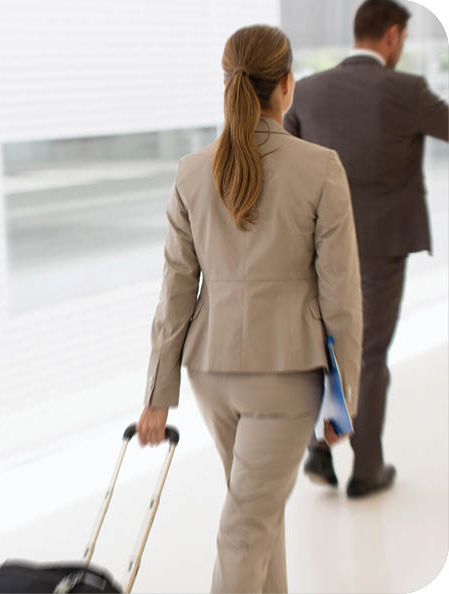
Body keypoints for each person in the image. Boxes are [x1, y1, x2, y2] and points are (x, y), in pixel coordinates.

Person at [136, 25, 362, 593]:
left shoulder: (192, 171)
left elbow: (175, 291)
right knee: (248, 527)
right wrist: (343, 399)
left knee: (256, 515)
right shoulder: (321, 169)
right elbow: (341, 298)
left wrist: (159, 394)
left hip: (211, 373)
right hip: (285, 376)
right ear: (287, 84)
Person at [284, 0, 449, 498]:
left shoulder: (307, 92)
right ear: (392, 35)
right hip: (382, 245)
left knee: (324, 346)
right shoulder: (406, 90)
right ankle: (367, 469)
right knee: (370, 353)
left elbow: (282, 165)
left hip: (318, 247)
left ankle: (319, 447)